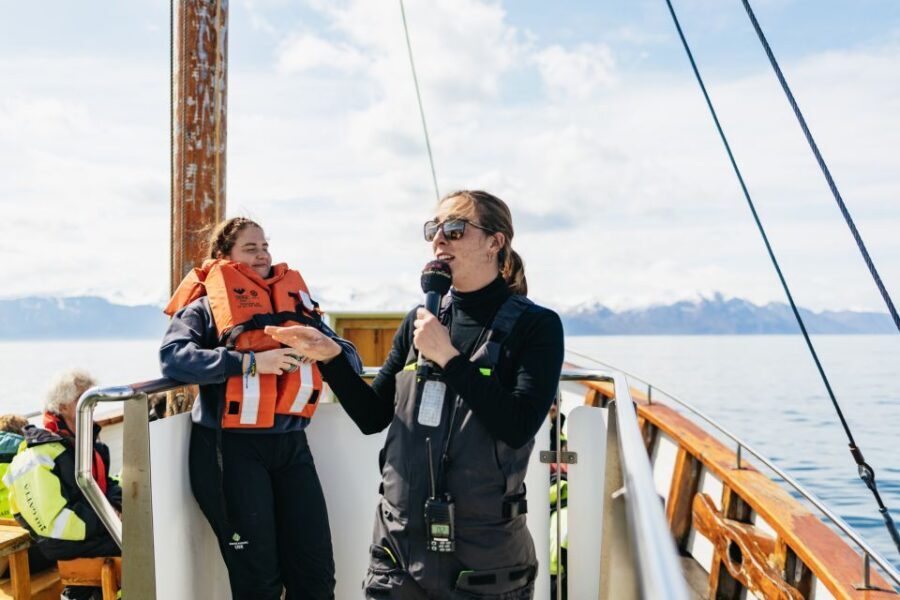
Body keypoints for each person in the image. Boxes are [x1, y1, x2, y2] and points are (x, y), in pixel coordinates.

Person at [267, 190, 565, 599]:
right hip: (399, 552)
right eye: (433, 230)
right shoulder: (419, 322)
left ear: (495, 242)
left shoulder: (536, 326)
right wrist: (331, 357)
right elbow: (372, 417)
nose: (439, 239)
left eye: (455, 229)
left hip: (485, 560)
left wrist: (449, 358)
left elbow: (518, 425)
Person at [159, 216, 362, 600]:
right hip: (230, 451)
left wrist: (323, 350)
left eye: (265, 246)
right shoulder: (205, 308)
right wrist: (250, 363)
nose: (262, 255)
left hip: (291, 448)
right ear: (224, 256)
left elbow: (350, 359)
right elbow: (173, 359)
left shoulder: (298, 309)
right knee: (258, 582)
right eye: (250, 248)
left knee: (316, 574)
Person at [3, 370, 122, 599]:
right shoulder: (38, 456)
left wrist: (118, 506)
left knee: (148, 533)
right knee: (144, 545)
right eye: (83, 397)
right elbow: (57, 525)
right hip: (66, 543)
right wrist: (110, 517)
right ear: (62, 406)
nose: (93, 403)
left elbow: (108, 485)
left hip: (95, 531)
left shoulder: (86, 444)